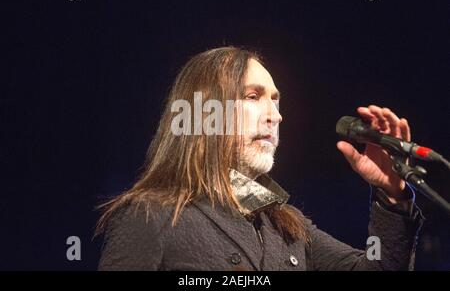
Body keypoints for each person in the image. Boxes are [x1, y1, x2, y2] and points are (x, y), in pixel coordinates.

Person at [96, 46, 424, 270]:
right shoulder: (149, 215)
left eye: (276, 100)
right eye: (253, 97)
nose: (275, 115)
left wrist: (392, 196)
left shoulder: (286, 224)